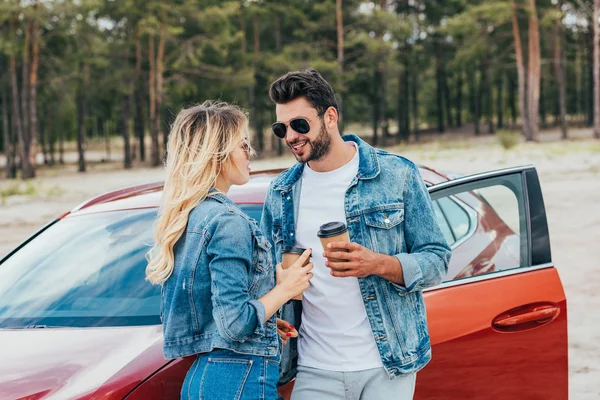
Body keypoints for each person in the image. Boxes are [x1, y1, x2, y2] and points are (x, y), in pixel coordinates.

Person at [260, 70, 452, 400]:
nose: (290, 136)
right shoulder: (280, 192)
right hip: (314, 367)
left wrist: (379, 264)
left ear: (330, 116)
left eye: (300, 125)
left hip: (388, 364)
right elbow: (264, 276)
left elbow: (437, 259)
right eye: (282, 128)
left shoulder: (396, 174)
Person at [146, 101, 313, 400]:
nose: (250, 153)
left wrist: (266, 318)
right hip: (240, 380)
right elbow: (235, 324)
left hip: (202, 381)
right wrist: (286, 289)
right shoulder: (228, 222)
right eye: (242, 145)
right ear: (218, 155)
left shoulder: (189, 216)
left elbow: (216, 316)